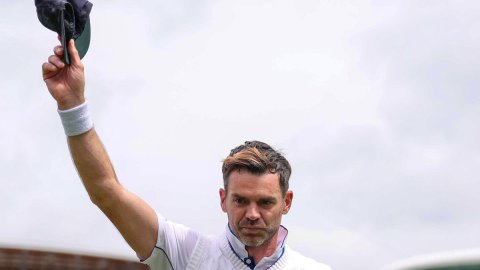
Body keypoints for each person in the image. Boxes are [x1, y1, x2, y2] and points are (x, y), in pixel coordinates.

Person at [41, 40, 331, 270]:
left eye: (265, 202)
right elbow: (107, 192)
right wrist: (72, 104)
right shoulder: (187, 253)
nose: (252, 214)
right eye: (240, 200)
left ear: (287, 202)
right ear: (222, 199)